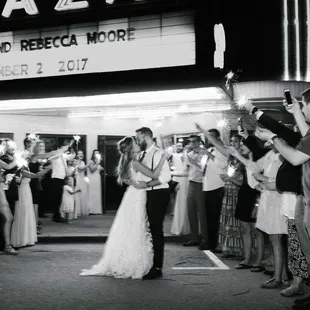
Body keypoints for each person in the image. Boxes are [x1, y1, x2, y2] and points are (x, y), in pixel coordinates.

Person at [80, 136, 170, 279]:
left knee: (130, 227)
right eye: (135, 142)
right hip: (138, 195)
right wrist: (163, 159)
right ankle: (135, 261)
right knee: (136, 228)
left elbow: (127, 179)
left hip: (132, 195)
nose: (138, 143)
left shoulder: (126, 161)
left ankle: (128, 259)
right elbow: (154, 174)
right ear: (131, 147)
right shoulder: (135, 162)